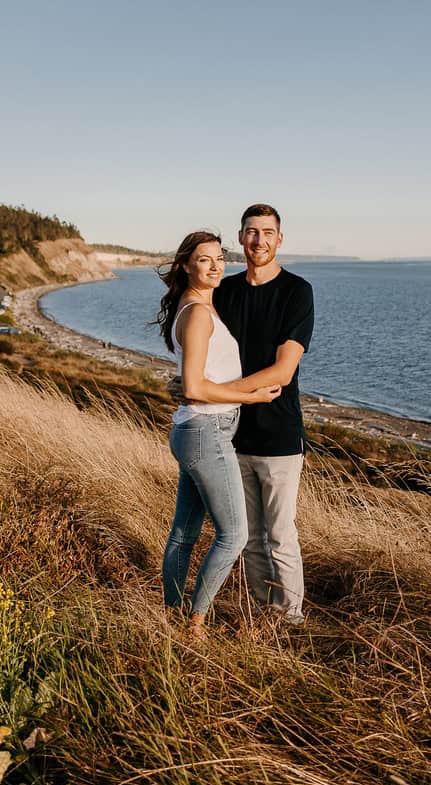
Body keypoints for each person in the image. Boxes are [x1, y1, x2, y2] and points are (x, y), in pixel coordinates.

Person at [170, 204, 315, 625]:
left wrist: (201, 392)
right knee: (247, 539)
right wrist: (188, 384)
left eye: (268, 233)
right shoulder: (225, 291)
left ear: (279, 239)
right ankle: (262, 615)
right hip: (228, 436)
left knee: (280, 535)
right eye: (252, 232)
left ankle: (290, 620)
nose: (259, 241)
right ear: (241, 237)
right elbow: (199, 347)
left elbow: (282, 372)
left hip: (279, 435)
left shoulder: (297, 291)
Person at [156, 230, 281, 639]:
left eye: (219, 258)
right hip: (205, 430)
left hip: (198, 429)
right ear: (186, 266)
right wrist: (254, 397)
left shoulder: (200, 308)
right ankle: (195, 622)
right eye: (204, 259)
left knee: (185, 532)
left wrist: (236, 394)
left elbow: (193, 382)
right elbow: (194, 387)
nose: (215, 265)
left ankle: (174, 613)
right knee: (235, 534)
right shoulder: (196, 313)